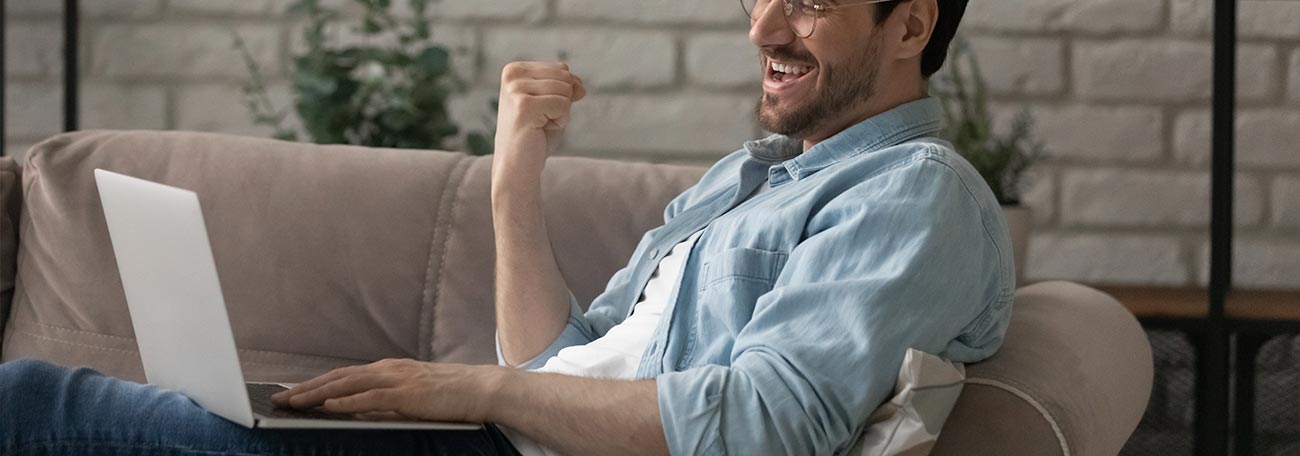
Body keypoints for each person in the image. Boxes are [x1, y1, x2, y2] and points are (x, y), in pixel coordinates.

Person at [0, 0, 1013, 454]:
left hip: (508, 445)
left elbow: (762, 427)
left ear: (909, 27)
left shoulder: (912, 193)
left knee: (38, 404)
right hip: (508, 434)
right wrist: (511, 180)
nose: (759, 28)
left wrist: (473, 388)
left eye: (806, 1)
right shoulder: (743, 179)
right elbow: (561, 362)